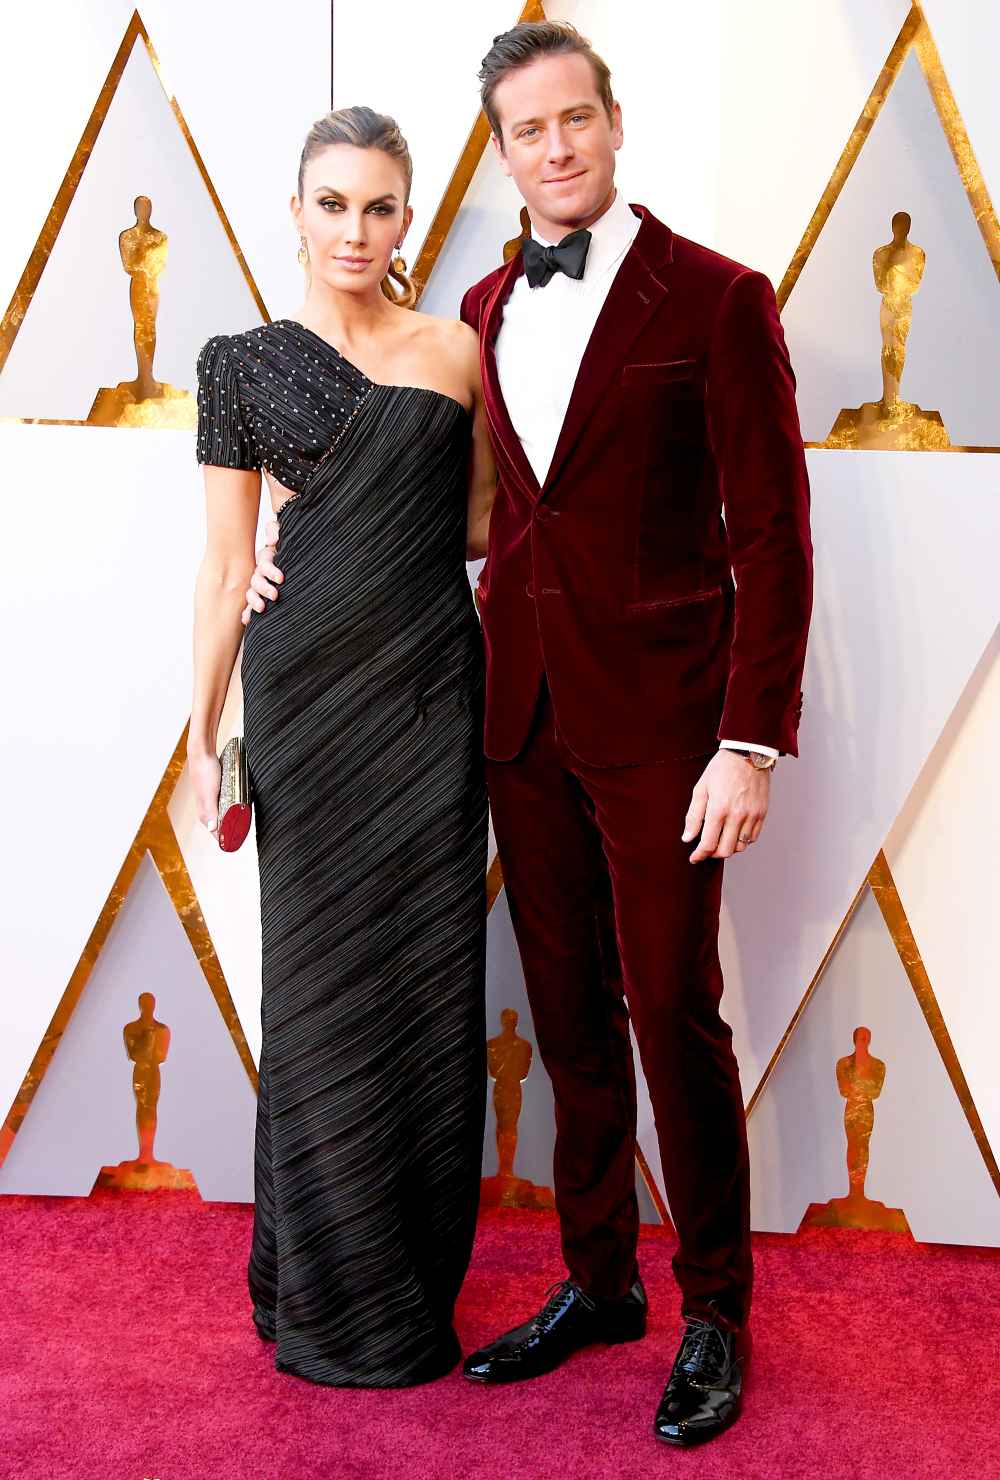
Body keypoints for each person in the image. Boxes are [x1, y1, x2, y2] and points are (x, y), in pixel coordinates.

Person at [242, 21, 813, 1447]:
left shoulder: (721, 299)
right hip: (512, 718)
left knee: (676, 1012)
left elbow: (777, 533)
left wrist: (750, 740)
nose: (554, 149)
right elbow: (452, 509)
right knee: (567, 1022)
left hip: (673, 730)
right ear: (502, 153)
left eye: (575, 121)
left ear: (615, 124)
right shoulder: (481, 309)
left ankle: (716, 1314)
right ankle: (600, 1282)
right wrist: (274, 554)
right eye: (526, 132)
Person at [188, 105, 496, 1387]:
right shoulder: (240, 361)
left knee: (425, 983)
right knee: (316, 995)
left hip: (429, 696)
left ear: (406, 216)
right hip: (306, 700)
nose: (355, 231)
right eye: (332, 204)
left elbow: (477, 528)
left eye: (379, 206)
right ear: (297, 210)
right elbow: (219, 562)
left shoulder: (456, 351)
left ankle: (409, 1279)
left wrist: (362, 533)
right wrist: (201, 735)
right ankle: (324, 1294)